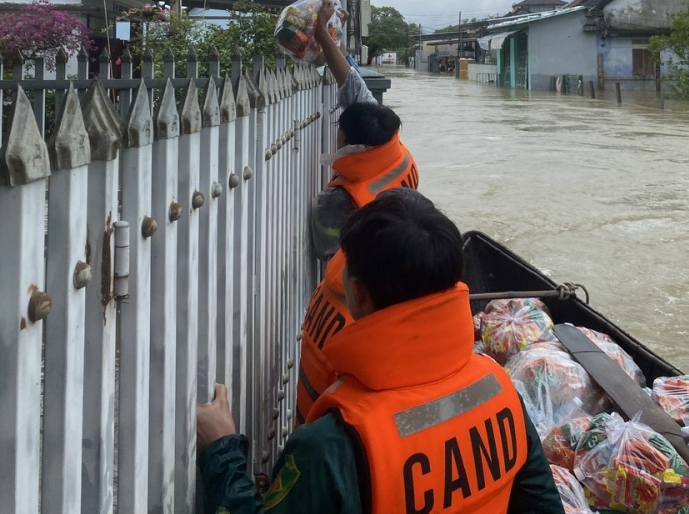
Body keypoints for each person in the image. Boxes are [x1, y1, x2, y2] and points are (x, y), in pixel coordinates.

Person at [197, 189, 566, 514]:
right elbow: (543, 504)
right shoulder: (498, 389)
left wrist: (222, 451)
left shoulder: (331, 444)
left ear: (357, 293)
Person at [298, 0, 420, 424]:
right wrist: (323, 34)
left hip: (368, 318)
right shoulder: (392, 148)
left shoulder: (337, 203)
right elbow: (351, 82)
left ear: (350, 148)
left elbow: (332, 274)